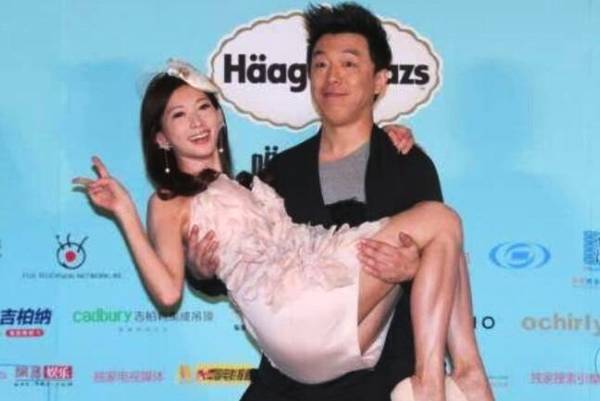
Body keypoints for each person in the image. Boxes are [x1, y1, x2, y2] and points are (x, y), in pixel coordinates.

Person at [75, 58, 489, 401]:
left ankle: (462, 377)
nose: (196, 123)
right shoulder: (169, 200)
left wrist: (387, 138)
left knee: (443, 230)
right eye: (178, 116)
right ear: (162, 139)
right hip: (293, 315)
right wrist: (125, 212)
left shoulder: (256, 184)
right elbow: (168, 293)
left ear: (219, 117)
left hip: (325, 333)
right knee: (439, 220)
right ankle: (435, 384)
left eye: (203, 108)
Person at [187, 3, 494, 401]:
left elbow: (442, 258)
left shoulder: (408, 165)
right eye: (321, 64)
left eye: (349, 64)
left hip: (378, 377)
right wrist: (200, 270)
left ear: (379, 80)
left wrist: (412, 269)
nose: (333, 77)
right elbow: (245, 268)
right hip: (290, 383)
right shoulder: (279, 172)